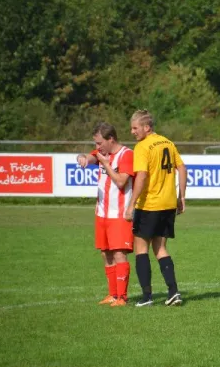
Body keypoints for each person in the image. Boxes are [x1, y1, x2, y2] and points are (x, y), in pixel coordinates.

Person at [124, 109, 187, 307]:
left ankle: (147, 297)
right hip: (168, 204)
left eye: (135, 128)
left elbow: (141, 176)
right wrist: (181, 197)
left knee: (141, 249)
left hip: (150, 204)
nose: (133, 132)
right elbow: (182, 168)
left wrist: (131, 204)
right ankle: (173, 292)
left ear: (146, 127)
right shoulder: (167, 142)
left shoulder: (143, 147)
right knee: (160, 249)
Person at [76, 122, 134, 306]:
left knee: (118, 253)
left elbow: (120, 182)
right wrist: (82, 158)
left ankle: (122, 297)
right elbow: (89, 157)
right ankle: (112, 294)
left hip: (119, 213)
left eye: (100, 143)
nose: (97, 147)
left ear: (111, 139)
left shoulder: (127, 155)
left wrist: (106, 164)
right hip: (102, 212)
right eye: (95, 143)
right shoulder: (101, 153)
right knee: (105, 253)